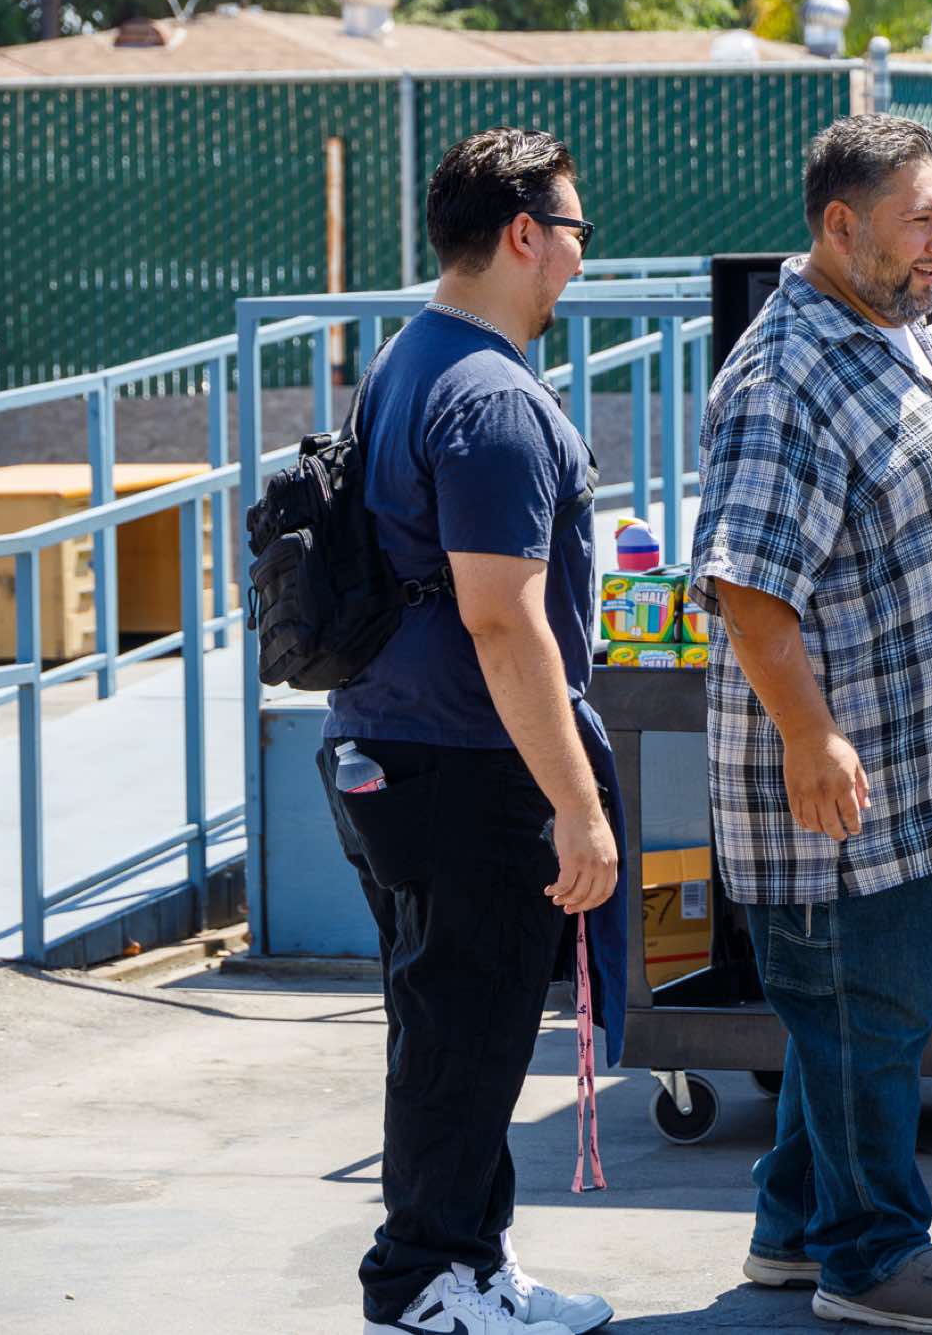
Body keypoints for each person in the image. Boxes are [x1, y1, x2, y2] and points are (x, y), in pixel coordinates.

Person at [690, 113, 932, 1334]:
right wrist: (809, 738)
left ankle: (791, 1225)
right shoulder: (785, 377)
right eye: (920, 219)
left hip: (924, 775)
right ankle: (869, 1255)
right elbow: (748, 584)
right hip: (851, 791)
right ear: (838, 224)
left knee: (854, 1017)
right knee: (863, 1020)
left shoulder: (889, 331)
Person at [317, 127, 624, 1335]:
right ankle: (424, 1281)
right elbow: (504, 622)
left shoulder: (408, 359)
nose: (581, 260)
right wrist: (579, 804)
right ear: (523, 235)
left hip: (390, 749)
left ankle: (472, 1263)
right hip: (466, 767)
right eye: (576, 233)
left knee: (453, 1027)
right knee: (467, 1033)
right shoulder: (492, 399)